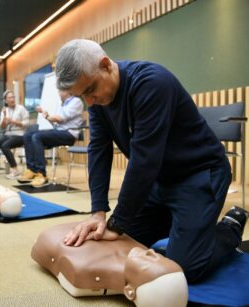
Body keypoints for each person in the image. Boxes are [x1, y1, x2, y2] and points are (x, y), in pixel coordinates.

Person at [55, 39, 248, 283]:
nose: (89, 102)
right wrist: (98, 212)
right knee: (121, 244)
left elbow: (144, 160)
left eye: (90, 90)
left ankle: (229, 227)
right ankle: (185, 225)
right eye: (82, 96)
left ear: (105, 65)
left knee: (184, 268)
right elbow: (99, 150)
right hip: (159, 181)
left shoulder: (152, 83)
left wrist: (118, 223)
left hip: (199, 175)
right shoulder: (97, 100)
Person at [31, 222, 188, 307]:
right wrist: (99, 213)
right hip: (155, 186)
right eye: (160, 257)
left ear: (129, 292)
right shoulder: (138, 250)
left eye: (150, 260)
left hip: (57, 236)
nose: (152, 252)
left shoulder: (85, 269)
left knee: (193, 265)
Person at [18, 89, 84, 187]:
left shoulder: (76, 102)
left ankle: (42, 174)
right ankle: (32, 170)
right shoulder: (62, 104)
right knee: (28, 135)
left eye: (61, 90)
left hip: (69, 134)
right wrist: (45, 114)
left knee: (37, 137)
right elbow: (55, 123)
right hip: (59, 131)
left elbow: (60, 118)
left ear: (68, 91)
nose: (59, 93)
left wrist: (47, 115)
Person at [0, 90, 29, 179]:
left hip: (19, 135)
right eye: (10, 97)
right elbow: (2, 127)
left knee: (4, 146)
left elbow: (26, 123)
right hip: (7, 135)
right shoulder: (5, 110)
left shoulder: (21, 108)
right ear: (6, 101)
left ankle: (14, 169)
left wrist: (13, 121)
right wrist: (4, 117)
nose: (12, 99)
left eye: (13, 97)